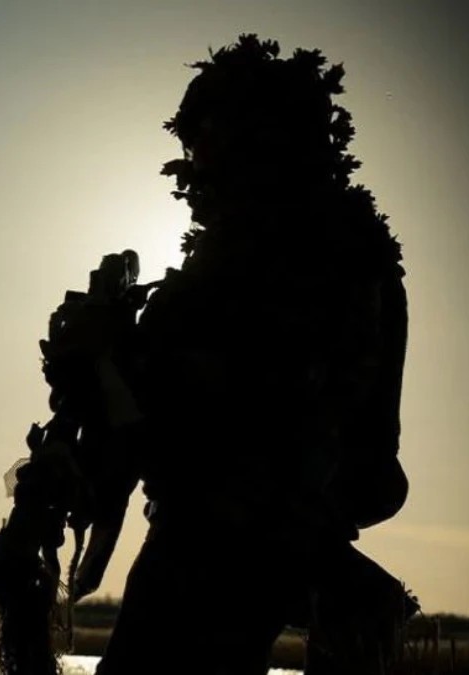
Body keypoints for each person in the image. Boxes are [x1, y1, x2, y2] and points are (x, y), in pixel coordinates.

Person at [79, 35, 413, 674]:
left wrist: (106, 360)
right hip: (247, 543)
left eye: (206, 145)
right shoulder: (353, 259)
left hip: (221, 552)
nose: (194, 171)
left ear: (260, 146)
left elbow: (200, 423)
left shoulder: (290, 270)